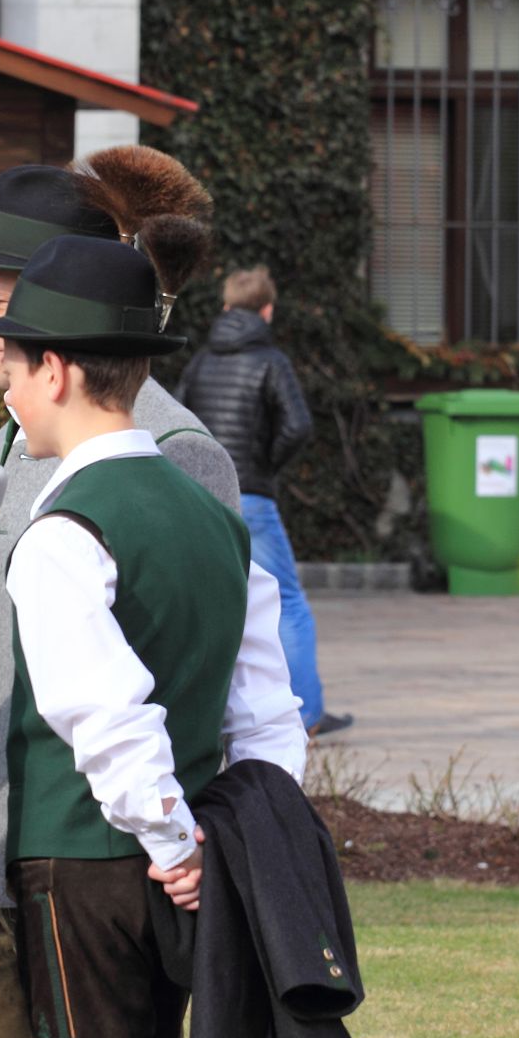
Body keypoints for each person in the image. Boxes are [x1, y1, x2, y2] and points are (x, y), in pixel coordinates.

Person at [0, 159, 240, 1038]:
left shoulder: (175, 453)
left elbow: (195, 671)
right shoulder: (18, 426)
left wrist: (172, 837)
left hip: (82, 866)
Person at [0, 235, 306, 1038]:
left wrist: (173, 841)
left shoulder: (61, 532)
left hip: (87, 865)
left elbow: (106, 714)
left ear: (55, 372)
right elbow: (269, 716)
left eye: (16, 366)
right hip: (178, 864)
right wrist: (223, 845)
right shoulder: (218, 521)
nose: (6, 385)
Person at [176, 266, 351, 737]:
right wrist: (266, 466)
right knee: (287, 603)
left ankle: (204, 720)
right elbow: (298, 425)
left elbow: (177, 420)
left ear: (226, 306)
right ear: (268, 310)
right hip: (251, 496)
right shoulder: (271, 361)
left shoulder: (201, 361)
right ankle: (307, 715)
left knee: (205, 603)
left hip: (199, 498)